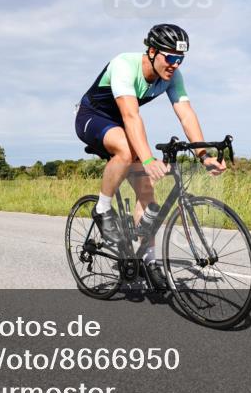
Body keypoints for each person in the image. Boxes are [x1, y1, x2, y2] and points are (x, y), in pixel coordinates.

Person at [74, 24, 226, 288]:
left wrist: (203, 155)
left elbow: (186, 114)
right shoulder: (124, 64)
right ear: (153, 52)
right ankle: (101, 209)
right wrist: (147, 159)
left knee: (148, 195)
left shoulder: (172, 77)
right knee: (127, 149)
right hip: (93, 118)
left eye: (181, 59)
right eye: (170, 58)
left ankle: (149, 260)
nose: (175, 65)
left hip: (121, 124)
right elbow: (131, 116)